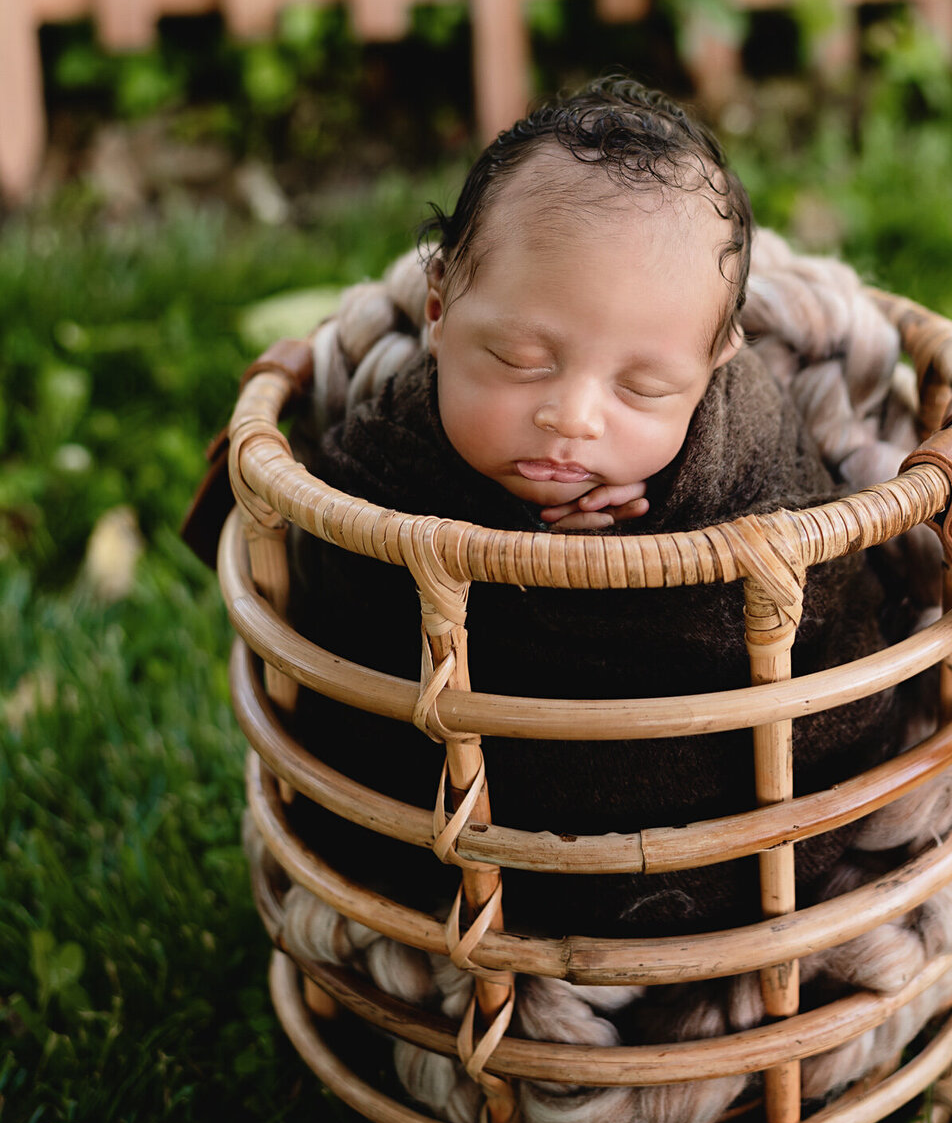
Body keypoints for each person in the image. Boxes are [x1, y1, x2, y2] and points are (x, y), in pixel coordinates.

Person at [288, 75, 897, 941]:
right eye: (519, 357)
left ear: (717, 363)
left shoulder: (745, 437)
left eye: (645, 386)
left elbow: (828, 597)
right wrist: (501, 543)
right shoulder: (392, 447)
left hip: (716, 850)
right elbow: (332, 584)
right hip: (458, 857)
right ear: (437, 309)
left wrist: (669, 525)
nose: (572, 417)